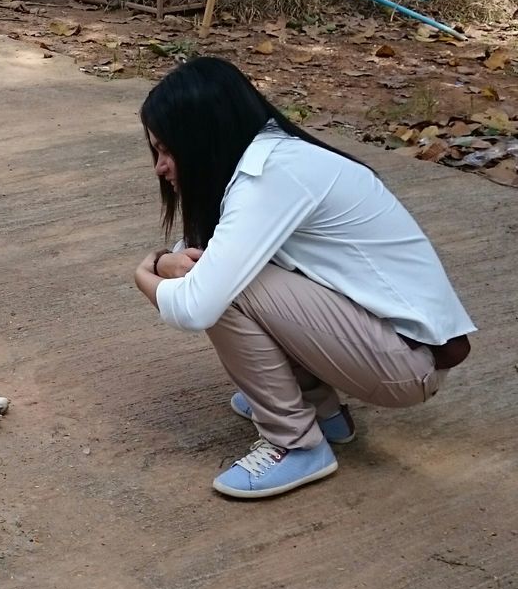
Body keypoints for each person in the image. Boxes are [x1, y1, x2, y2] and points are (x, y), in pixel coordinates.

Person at [134, 56, 474, 500]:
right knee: (230, 276)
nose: (159, 167)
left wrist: (143, 273)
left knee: (231, 290)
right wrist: (166, 263)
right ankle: (323, 413)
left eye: (166, 150)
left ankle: (295, 444)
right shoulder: (269, 158)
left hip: (408, 364)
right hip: (387, 344)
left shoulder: (272, 176)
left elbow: (197, 304)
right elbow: (204, 253)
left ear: (203, 139)